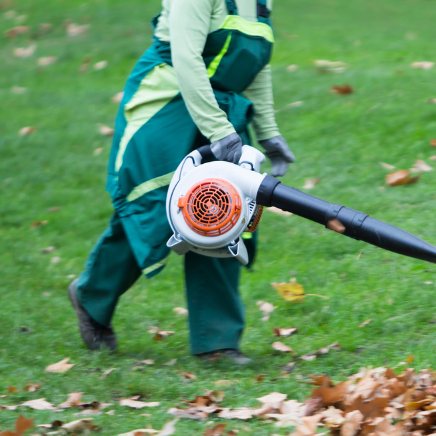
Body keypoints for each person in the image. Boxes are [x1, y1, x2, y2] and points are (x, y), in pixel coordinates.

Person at [67, 0, 294, 365]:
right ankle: (91, 295)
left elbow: (257, 65)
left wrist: (268, 132)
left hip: (219, 110)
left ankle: (217, 343)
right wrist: (219, 130)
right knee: (154, 211)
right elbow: (187, 59)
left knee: (224, 213)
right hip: (167, 103)